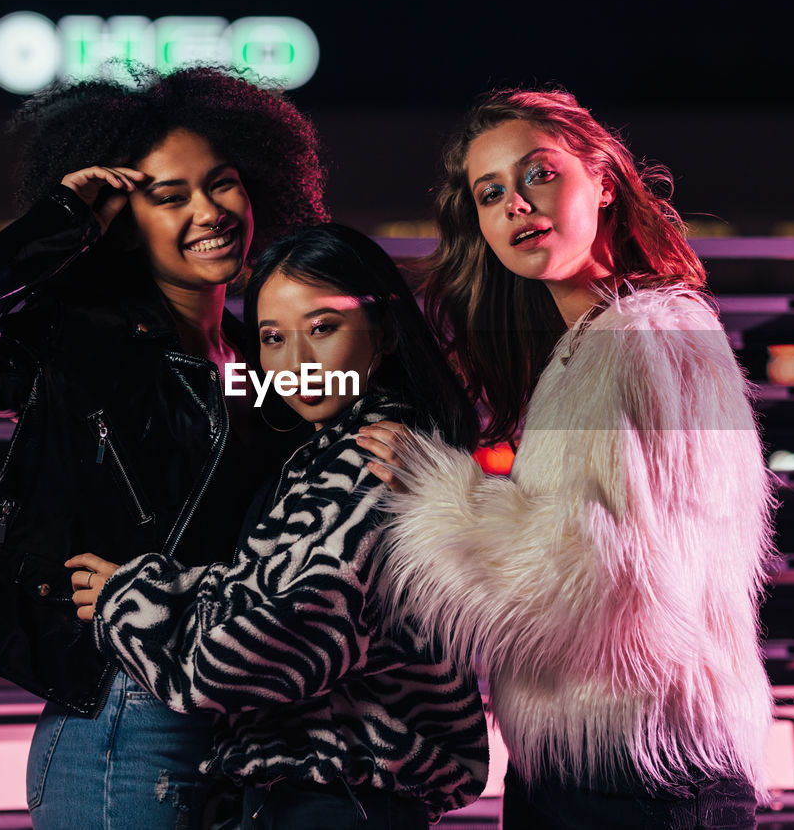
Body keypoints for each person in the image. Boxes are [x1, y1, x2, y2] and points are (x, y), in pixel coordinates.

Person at [0, 66, 327, 830]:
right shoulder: (88, 343)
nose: (209, 211)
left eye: (221, 183)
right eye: (170, 195)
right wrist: (61, 217)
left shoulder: (259, 361)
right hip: (127, 720)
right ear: (127, 220)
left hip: (234, 719)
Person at [356, 89, 775, 829]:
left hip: (638, 777)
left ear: (604, 181)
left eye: (538, 173)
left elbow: (587, 576)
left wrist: (433, 490)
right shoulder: (597, 344)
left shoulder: (639, 339)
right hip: (594, 763)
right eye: (491, 193)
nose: (516, 202)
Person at [70, 224, 490, 829]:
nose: (295, 364)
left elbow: (295, 636)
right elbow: (276, 593)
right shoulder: (326, 456)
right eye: (272, 338)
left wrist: (131, 600)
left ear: (387, 331)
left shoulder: (376, 460)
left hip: (334, 798)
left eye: (322, 328)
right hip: (322, 797)